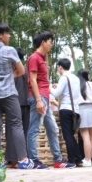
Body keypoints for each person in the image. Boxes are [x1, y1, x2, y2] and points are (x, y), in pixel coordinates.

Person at [0, 24, 34, 170]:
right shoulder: (9, 50)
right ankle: (23, 159)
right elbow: (22, 70)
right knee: (16, 125)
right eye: (7, 33)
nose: (9, 36)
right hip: (8, 93)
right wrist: (10, 76)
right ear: (0, 35)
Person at [26, 31, 72, 169]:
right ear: (43, 42)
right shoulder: (34, 58)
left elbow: (40, 80)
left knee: (52, 128)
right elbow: (32, 81)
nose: (52, 44)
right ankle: (33, 160)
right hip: (39, 98)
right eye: (50, 42)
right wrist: (39, 100)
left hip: (45, 96)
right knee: (34, 129)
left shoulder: (42, 58)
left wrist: (49, 87)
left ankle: (58, 160)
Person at [50, 58, 82, 167]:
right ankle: (78, 159)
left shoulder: (64, 78)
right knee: (72, 135)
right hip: (76, 110)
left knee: (67, 135)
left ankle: (72, 160)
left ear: (60, 67)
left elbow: (55, 93)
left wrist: (49, 86)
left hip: (65, 109)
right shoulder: (76, 78)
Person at [5, 48, 30, 168]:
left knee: (11, 132)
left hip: (14, 103)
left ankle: (13, 159)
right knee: (24, 131)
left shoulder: (12, 71)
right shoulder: (27, 70)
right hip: (27, 104)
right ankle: (24, 158)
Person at [77, 69, 92, 167]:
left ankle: (87, 159)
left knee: (85, 136)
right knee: (91, 137)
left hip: (82, 109)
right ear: (87, 76)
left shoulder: (77, 86)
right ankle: (89, 159)